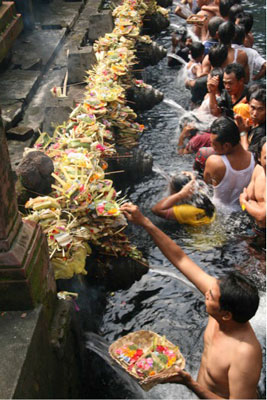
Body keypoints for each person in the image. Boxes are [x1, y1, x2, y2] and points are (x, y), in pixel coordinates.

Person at [120, 203, 262, 399]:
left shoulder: (244, 354)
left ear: (226, 314)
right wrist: (145, 222)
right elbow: (180, 259)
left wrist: (191, 384)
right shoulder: (219, 298)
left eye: (211, 296)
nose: (206, 292)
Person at [204, 116, 255, 211]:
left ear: (226, 146)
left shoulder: (214, 162)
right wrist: (243, 133)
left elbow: (206, 186)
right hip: (242, 210)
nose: (211, 146)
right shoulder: (255, 161)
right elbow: (245, 150)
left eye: (213, 144)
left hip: (218, 213)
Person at [240, 137, 266, 236]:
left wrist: (243, 202)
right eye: (266, 158)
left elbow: (262, 217)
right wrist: (245, 204)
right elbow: (248, 199)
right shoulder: (258, 170)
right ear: (259, 157)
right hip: (254, 226)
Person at [235, 88, 266, 154]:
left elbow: (248, 156)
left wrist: (243, 132)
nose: (255, 113)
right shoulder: (255, 124)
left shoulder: (262, 131)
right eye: (253, 108)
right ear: (248, 105)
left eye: (260, 109)